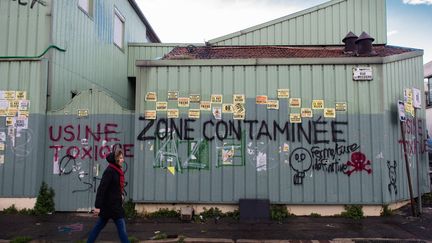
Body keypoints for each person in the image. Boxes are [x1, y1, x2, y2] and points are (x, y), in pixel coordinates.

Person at [87, 148, 129, 243]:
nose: (123, 160)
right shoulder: (110, 171)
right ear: (116, 159)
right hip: (112, 207)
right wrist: (97, 206)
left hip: (112, 206)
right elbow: (101, 189)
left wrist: (120, 195)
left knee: (98, 227)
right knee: (122, 230)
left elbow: (114, 188)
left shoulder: (116, 170)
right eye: (121, 158)